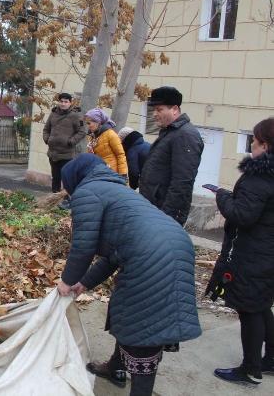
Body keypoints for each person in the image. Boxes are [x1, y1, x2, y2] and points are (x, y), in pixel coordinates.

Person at [57, 154, 202, 396]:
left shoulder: (86, 192)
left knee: (143, 326)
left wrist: (67, 281)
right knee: (127, 311)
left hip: (152, 254)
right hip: (176, 246)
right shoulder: (116, 190)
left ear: (74, 179)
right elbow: (115, 253)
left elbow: (83, 246)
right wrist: (84, 282)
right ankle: (116, 366)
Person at [207, 118, 274, 386]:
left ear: (265, 145)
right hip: (266, 253)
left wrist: (222, 195)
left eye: (254, 142)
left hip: (254, 256)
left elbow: (242, 215)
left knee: (249, 309)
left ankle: (250, 369)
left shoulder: (260, 176)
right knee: (262, 306)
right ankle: (270, 360)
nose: (251, 147)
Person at [139, 86, 203, 226]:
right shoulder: (170, 132)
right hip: (153, 210)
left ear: (174, 109)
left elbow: (182, 182)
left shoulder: (185, 135)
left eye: (159, 109)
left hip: (163, 216)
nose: (154, 114)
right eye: (154, 109)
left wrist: (166, 218)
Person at [42, 92, 86, 193]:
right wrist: (47, 139)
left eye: (66, 102)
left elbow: (82, 132)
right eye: (61, 101)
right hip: (53, 153)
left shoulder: (76, 116)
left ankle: (67, 200)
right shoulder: (53, 114)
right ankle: (54, 198)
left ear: (70, 103)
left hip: (67, 155)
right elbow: (46, 129)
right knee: (55, 178)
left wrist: (71, 141)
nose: (63, 104)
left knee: (67, 179)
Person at [84, 108, 128, 179]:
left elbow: (120, 155)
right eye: (87, 123)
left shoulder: (111, 134)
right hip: (99, 172)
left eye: (89, 123)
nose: (88, 126)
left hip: (112, 174)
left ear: (97, 122)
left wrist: (123, 174)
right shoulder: (92, 136)